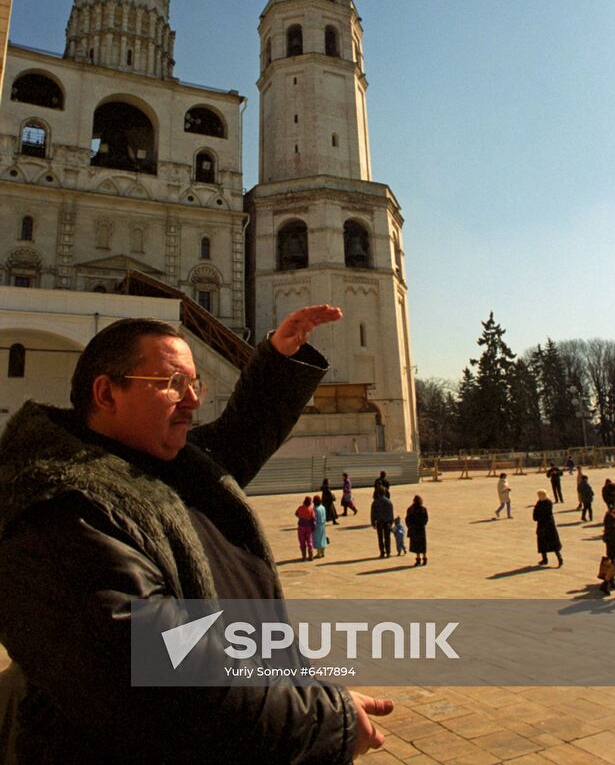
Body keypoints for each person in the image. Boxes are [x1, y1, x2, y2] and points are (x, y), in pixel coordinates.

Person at [0, 305, 393, 763]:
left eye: (194, 383)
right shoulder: (61, 516)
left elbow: (240, 435)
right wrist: (330, 721)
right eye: (171, 384)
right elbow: (167, 680)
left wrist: (278, 360)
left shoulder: (154, 460)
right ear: (106, 394)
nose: (193, 400)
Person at [533, 489, 563, 566]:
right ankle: (544, 559)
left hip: (549, 526)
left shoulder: (548, 502)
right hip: (541, 525)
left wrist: (538, 516)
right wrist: (537, 517)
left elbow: (546, 513)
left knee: (553, 543)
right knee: (542, 543)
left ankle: (559, 558)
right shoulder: (539, 502)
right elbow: (535, 512)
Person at [370, 486, 394, 558]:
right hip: (387, 522)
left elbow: (373, 513)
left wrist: (373, 522)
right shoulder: (389, 502)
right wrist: (391, 522)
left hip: (379, 522)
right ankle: (388, 552)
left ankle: (382, 552)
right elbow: (391, 513)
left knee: (380, 538)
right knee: (387, 537)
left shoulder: (375, 502)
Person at [406, 495, 428, 566]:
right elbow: (426, 519)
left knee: (416, 545)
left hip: (414, 529)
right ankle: (424, 558)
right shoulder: (423, 509)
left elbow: (407, 519)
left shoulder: (411, 509)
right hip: (421, 529)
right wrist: (423, 524)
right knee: (423, 545)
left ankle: (418, 559)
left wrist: (410, 526)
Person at [295, 495, 316, 561]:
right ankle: (310, 557)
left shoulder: (300, 508)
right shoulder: (311, 510)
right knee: (309, 541)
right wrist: (314, 527)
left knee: (302, 541)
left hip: (301, 526)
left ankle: (303, 557)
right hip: (308, 527)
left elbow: (296, 514)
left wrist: (301, 517)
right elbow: (313, 519)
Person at [312, 494, 327, 559]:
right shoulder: (322, 507)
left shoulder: (315, 509)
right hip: (323, 524)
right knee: (323, 538)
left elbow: (314, 518)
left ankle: (318, 553)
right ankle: (323, 552)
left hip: (317, 526)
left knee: (317, 539)